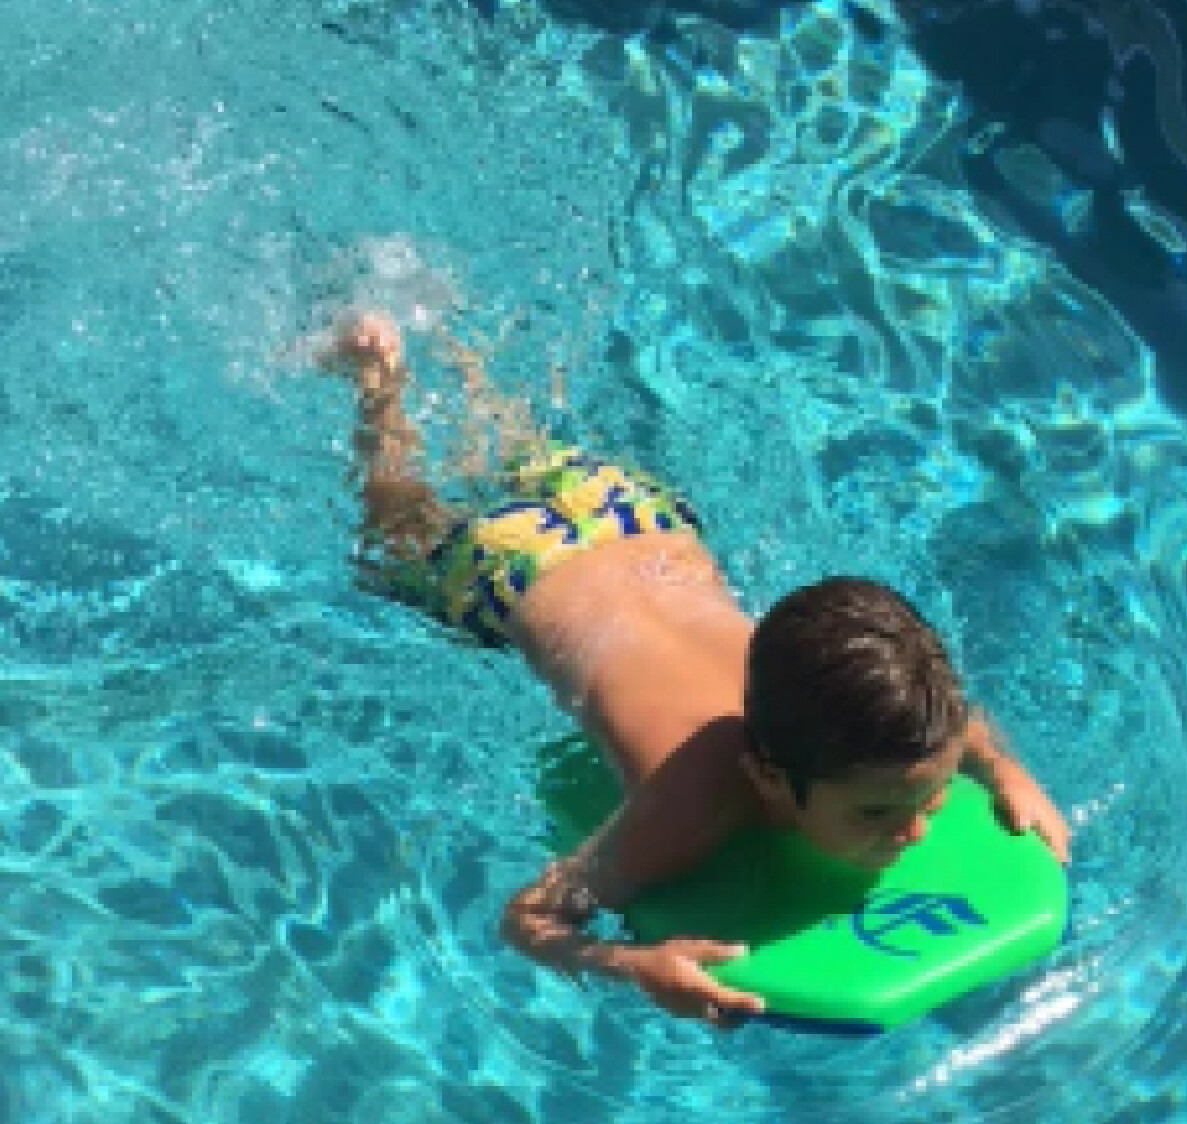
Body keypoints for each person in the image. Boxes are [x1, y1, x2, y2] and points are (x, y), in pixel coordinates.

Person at [319, 312, 1071, 1028]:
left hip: (631, 514)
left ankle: (459, 356)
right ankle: (378, 388)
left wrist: (1004, 769)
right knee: (396, 528)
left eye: (933, 795)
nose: (915, 831)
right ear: (768, 778)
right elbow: (529, 919)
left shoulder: (895, 718)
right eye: (876, 815)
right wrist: (631, 965)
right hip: (515, 566)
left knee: (505, 441)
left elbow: (958, 722)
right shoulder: (692, 805)